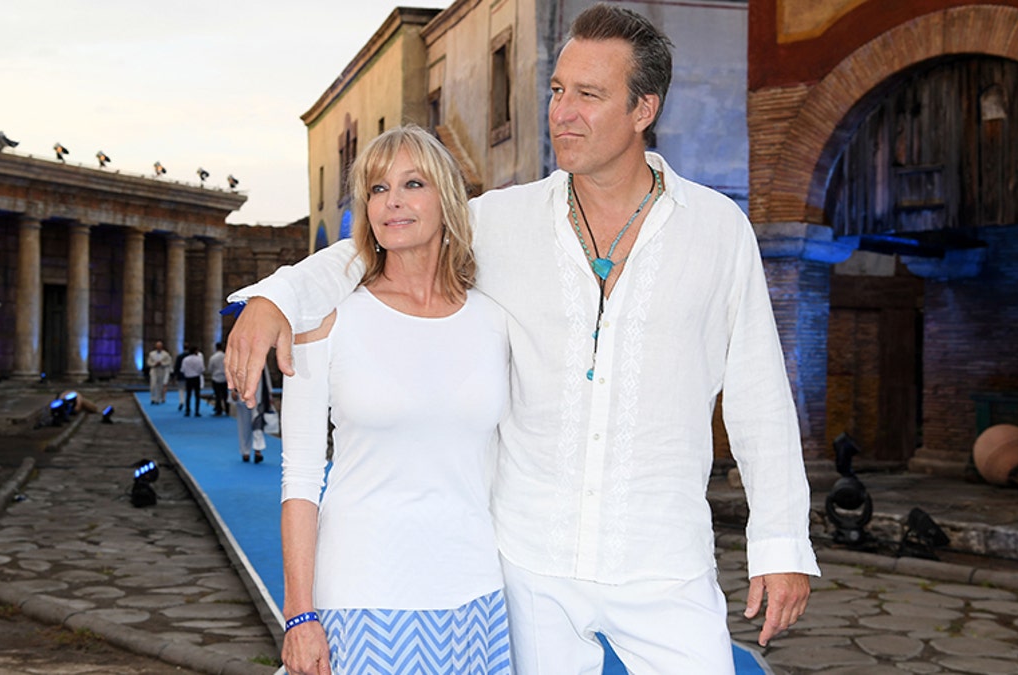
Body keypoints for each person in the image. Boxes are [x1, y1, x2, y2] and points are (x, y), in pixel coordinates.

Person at [227, 4, 817, 672]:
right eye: (557, 90)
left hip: (663, 559)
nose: (561, 111)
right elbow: (387, 240)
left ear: (643, 108)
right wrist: (275, 295)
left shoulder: (717, 230)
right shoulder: (501, 222)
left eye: (588, 96)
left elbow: (758, 394)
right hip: (528, 567)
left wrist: (780, 544)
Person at [275, 125, 510, 675]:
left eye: (412, 183)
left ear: (447, 200)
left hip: (474, 594)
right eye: (377, 189)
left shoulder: (494, 320)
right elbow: (301, 477)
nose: (393, 201)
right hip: (362, 595)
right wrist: (298, 614)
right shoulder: (327, 319)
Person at [180, 345, 205, 417]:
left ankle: (187, 410)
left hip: (188, 378)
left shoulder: (185, 359)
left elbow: (182, 369)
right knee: (197, 395)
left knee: (188, 395)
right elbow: (202, 369)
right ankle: (197, 411)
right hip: (196, 377)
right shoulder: (199, 359)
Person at [146, 340, 172, 404]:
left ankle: (158, 399)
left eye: (160, 346)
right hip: (154, 370)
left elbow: (169, 362)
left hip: (161, 370)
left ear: (162, 346)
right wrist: (154, 364)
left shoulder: (166, 354)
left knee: (160, 385)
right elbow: (148, 362)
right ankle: (153, 398)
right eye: (157, 346)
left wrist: (162, 363)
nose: (158, 347)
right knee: (153, 385)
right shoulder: (151, 354)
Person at [208, 341, 229, 416]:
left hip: (216, 377)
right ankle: (227, 409)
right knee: (225, 395)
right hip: (224, 378)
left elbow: (210, 368)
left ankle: (219, 410)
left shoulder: (213, 357)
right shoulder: (226, 356)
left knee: (218, 395)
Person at [172, 344, 190, 411]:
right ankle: (188, 403)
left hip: (181, 375)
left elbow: (176, 367)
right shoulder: (190, 356)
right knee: (188, 390)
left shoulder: (179, 356)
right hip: (189, 376)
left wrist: (174, 376)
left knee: (181, 390)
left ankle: (181, 401)